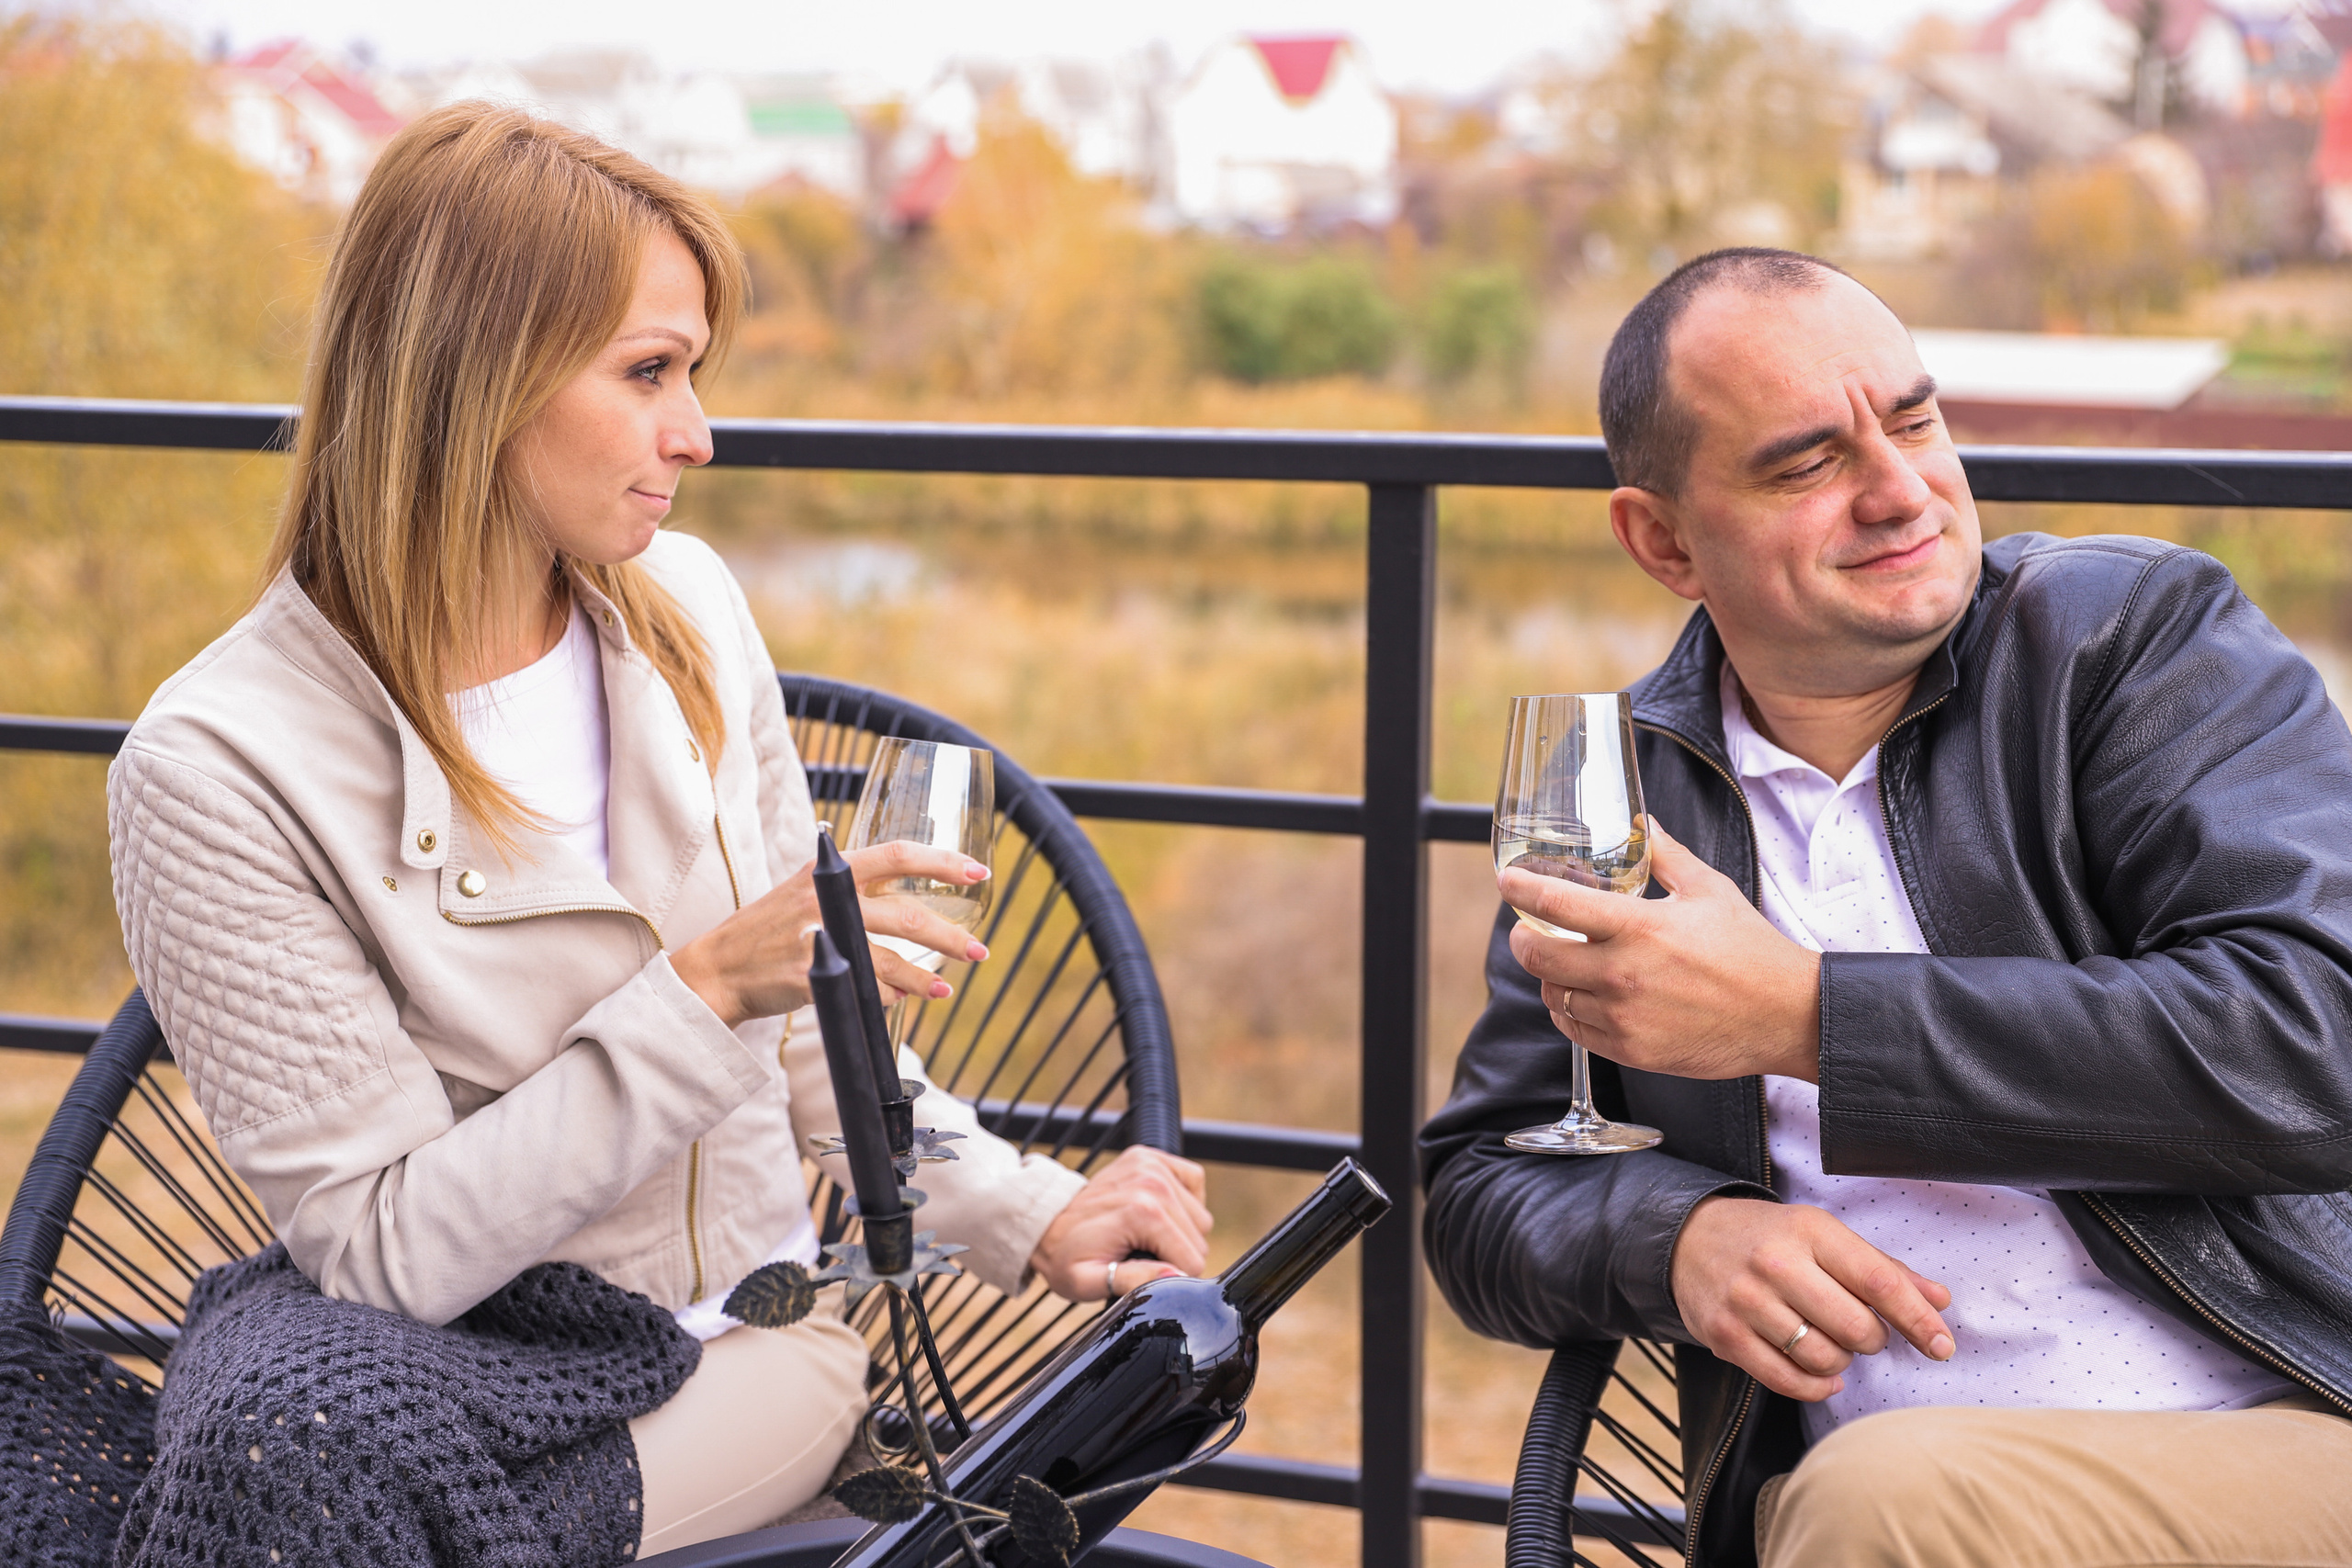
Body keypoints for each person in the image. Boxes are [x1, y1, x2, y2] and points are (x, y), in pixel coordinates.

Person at [106, 102, 1212, 1556]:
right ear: (470, 381)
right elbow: (375, 1257)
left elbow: (821, 1031)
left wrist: (1021, 1209)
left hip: (743, 1356)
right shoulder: (217, 765)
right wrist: (699, 993)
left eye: (691, 371)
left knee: (334, 1497)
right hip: (438, 1360)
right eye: (649, 373)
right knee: (306, 1454)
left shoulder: (685, 607)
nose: (695, 431)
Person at [1420, 247, 2352, 1568]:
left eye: (1915, 421)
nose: (1903, 489)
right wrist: (1675, 1237)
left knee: (1888, 1502)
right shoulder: (1626, 791)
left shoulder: (2131, 641)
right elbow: (1480, 1185)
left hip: (2288, 1422)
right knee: (1876, 1500)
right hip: (1872, 1497)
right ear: (1664, 539)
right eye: (1807, 464)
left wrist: (1806, 1018)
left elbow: (2317, 1046)